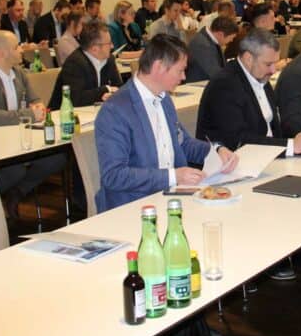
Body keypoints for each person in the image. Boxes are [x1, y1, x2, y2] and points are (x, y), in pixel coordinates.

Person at [94, 34, 237, 213]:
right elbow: (114, 175)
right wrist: (173, 176)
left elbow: (183, 143)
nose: (183, 77)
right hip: (132, 206)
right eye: (180, 70)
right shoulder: (115, 110)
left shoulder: (163, 98)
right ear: (159, 67)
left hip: (168, 197)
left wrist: (216, 151)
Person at [0, 30, 65, 218]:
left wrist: (38, 106)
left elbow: (35, 99)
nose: (22, 50)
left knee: (56, 158)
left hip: (15, 136)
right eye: (17, 47)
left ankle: (17, 192)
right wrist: (29, 114)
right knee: (15, 169)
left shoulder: (18, 73)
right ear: (2, 53)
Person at [197, 27, 301, 155]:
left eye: (275, 63)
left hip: (266, 157)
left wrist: (298, 137)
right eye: (268, 64)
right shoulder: (224, 85)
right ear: (248, 58)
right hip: (236, 161)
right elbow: (238, 140)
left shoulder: (259, 75)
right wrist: (291, 146)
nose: (273, 70)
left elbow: (272, 129)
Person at [48, 20, 122, 109]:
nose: (112, 46)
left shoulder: (109, 60)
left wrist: (111, 94)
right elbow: (76, 100)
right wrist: (106, 89)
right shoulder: (74, 64)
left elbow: (119, 88)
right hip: (63, 115)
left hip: (95, 112)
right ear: (95, 48)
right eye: (109, 43)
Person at [185, 16, 238, 83]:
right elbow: (216, 74)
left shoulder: (211, 40)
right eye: (231, 38)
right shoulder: (202, 44)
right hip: (196, 85)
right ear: (221, 34)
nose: (231, 40)